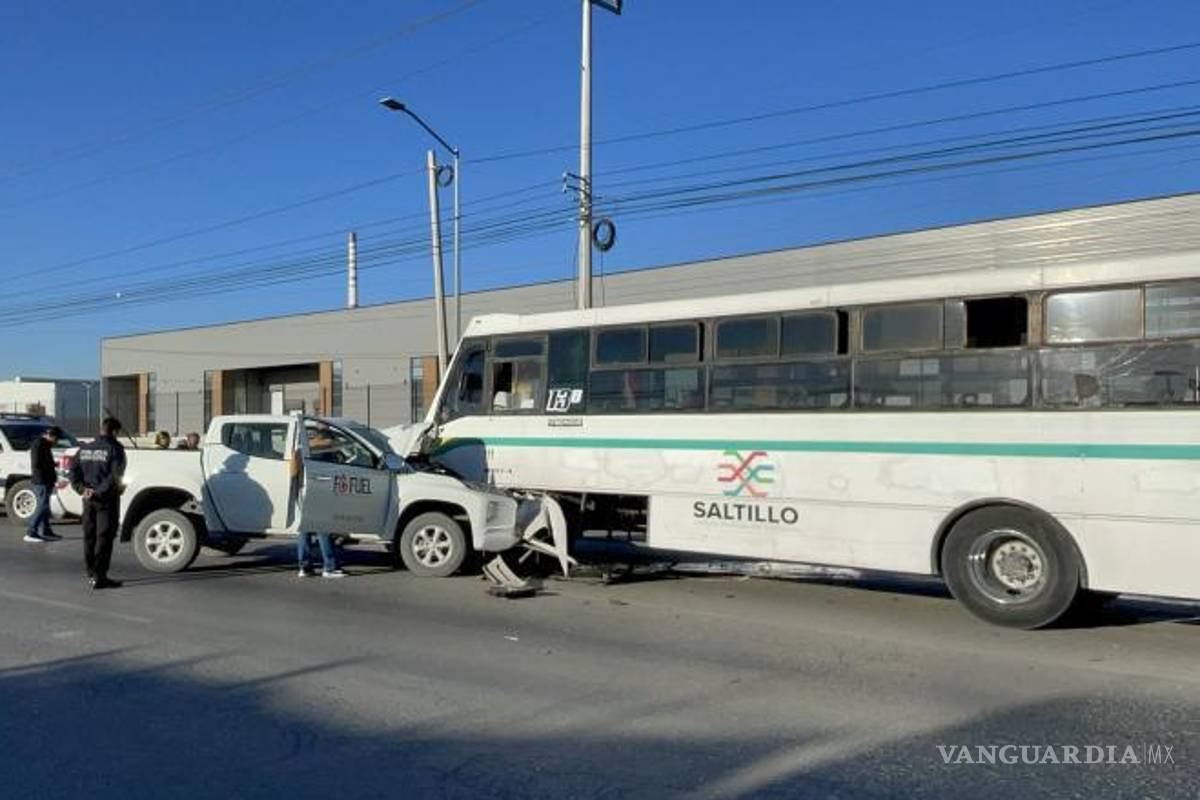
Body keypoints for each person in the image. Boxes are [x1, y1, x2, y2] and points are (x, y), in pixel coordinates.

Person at [69, 417, 127, 590]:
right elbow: (115, 475)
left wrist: (82, 489)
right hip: (106, 499)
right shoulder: (115, 448)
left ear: (101, 429)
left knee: (89, 536)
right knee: (104, 537)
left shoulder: (85, 448)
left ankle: (91, 572)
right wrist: (99, 491)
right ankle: (100, 576)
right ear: (115, 432)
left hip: (88, 499)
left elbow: (73, 471)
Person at [24, 425, 64, 543]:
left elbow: (45, 461)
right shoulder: (38, 445)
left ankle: (46, 531)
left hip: (47, 480)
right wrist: (50, 467)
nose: (57, 442)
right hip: (41, 481)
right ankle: (31, 532)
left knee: (45, 507)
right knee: (42, 506)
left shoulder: (46, 445)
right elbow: (37, 464)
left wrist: (54, 465)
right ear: (50, 435)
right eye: (56, 438)